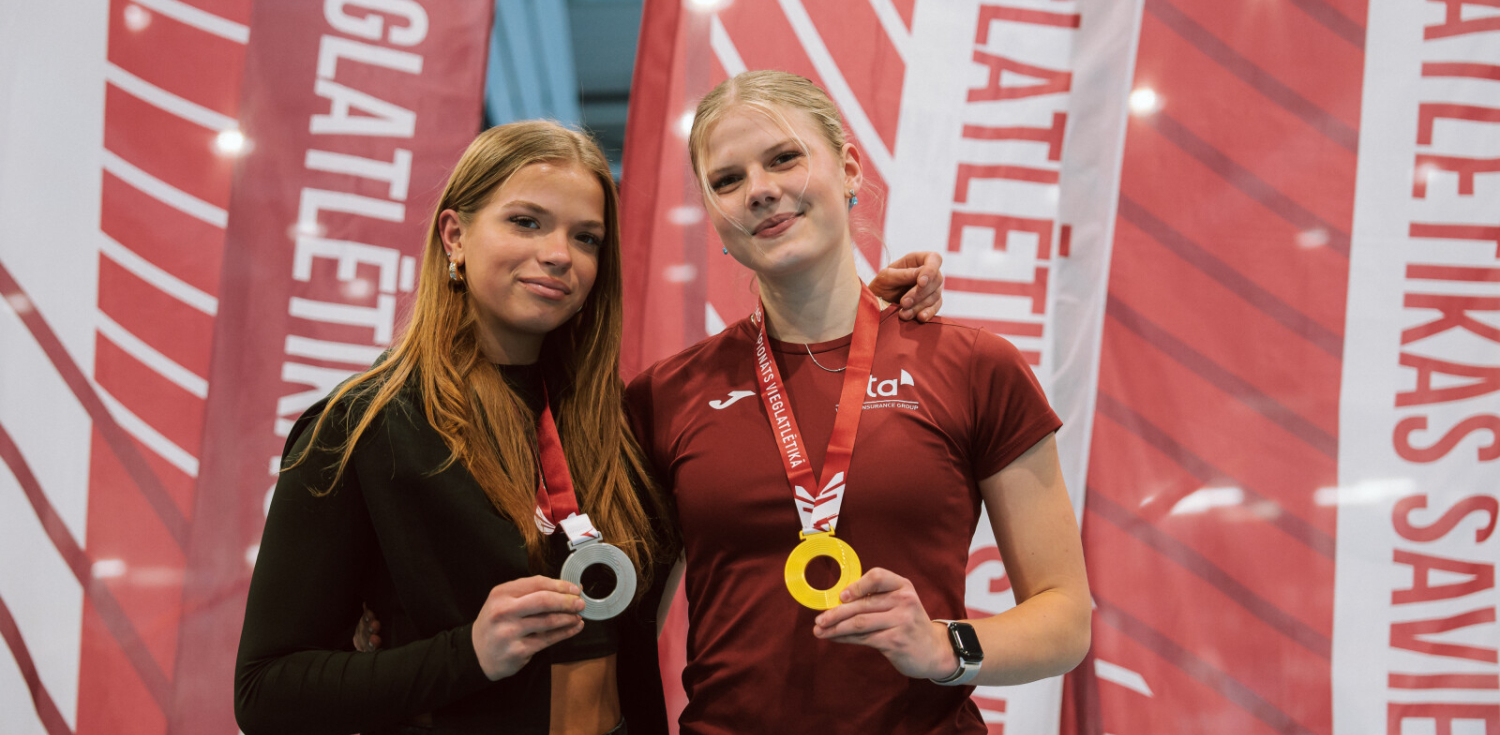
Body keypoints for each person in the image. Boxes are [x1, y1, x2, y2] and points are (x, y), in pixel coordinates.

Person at [233, 120, 944, 735]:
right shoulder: (359, 427)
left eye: (586, 237)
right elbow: (266, 691)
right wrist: (466, 654)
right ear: (455, 234)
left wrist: (859, 319)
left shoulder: (615, 424)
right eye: (526, 222)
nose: (558, 254)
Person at [625, 71, 1091, 735]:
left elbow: (1064, 617)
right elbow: (628, 631)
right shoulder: (666, 395)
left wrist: (943, 647)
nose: (759, 189)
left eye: (784, 158)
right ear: (715, 216)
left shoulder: (974, 367)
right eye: (727, 180)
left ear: (848, 169)